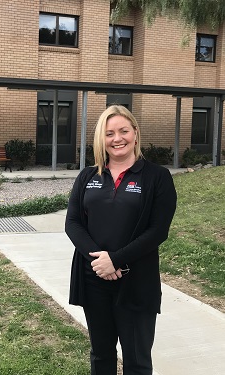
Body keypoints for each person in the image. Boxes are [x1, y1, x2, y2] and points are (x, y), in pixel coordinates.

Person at [65, 105, 177, 375]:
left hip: (137, 281)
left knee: (137, 360)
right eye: (109, 133)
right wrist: (99, 260)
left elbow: (158, 230)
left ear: (135, 134)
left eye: (124, 131)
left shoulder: (157, 177)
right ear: (101, 139)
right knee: (101, 355)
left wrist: (115, 259)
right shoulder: (88, 176)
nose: (117, 138)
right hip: (94, 279)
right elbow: (73, 223)